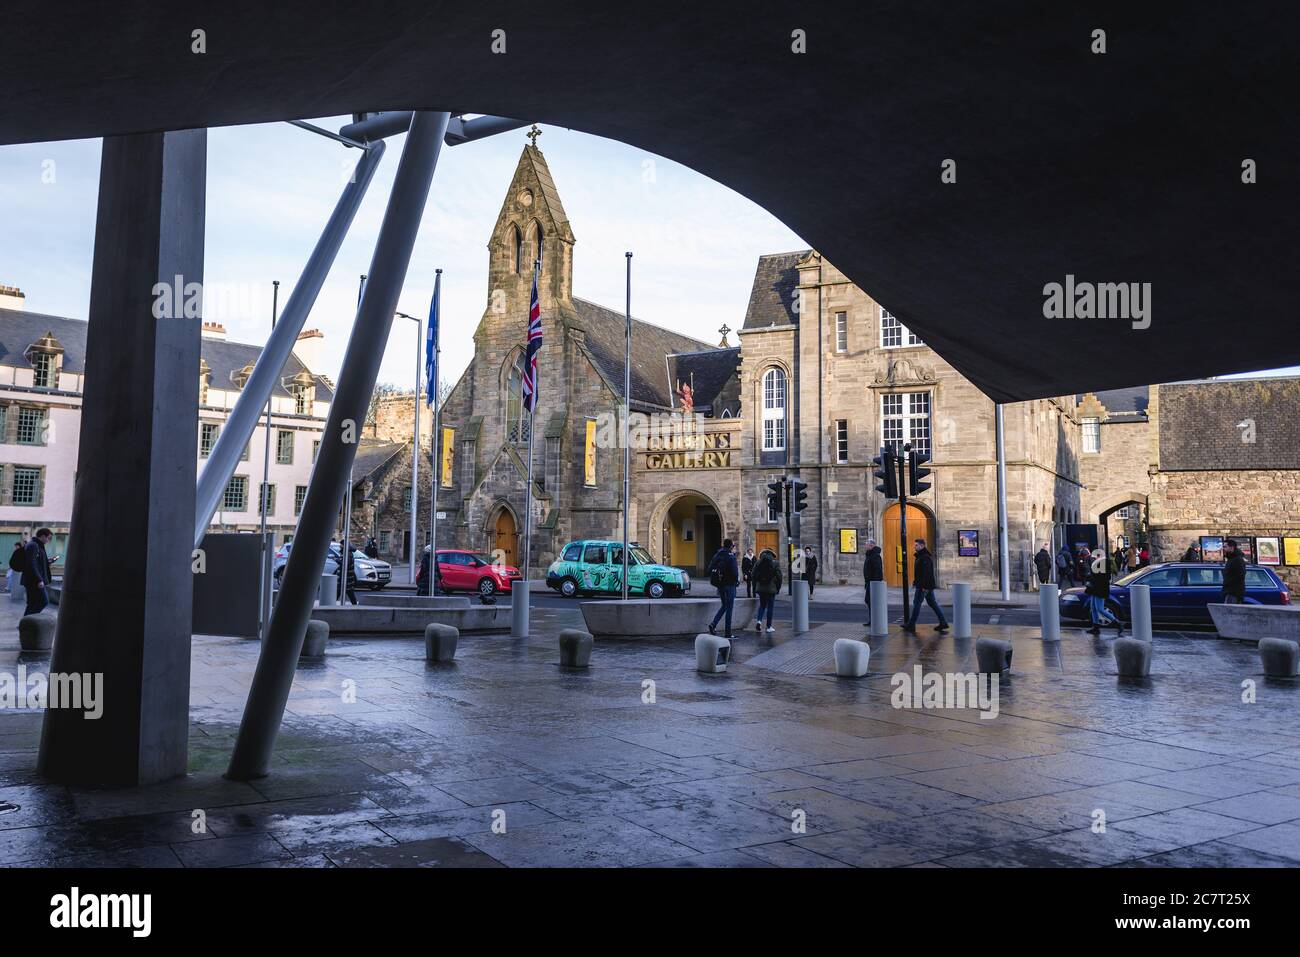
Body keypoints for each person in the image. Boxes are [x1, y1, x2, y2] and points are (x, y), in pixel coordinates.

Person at [903, 538, 948, 634]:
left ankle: (911, 624)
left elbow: (926, 574)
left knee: (917, 603)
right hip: (924, 585)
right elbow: (919, 573)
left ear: (922, 546)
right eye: (915, 545)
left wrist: (924, 586)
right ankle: (943, 622)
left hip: (924, 586)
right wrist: (916, 582)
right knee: (932, 603)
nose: (915, 547)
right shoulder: (921, 556)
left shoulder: (925, 557)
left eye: (916, 545)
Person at [1084, 552, 1123, 635]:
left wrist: (1091, 577)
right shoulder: (1101, 564)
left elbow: (1101, 578)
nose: (1094, 558)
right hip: (1096, 589)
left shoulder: (1103, 565)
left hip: (1100, 589)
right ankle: (1096, 627)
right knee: (1093, 608)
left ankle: (1117, 623)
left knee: (1099, 608)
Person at [707, 538, 739, 639]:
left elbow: (709, 569)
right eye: (733, 546)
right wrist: (736, 581)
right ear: (730, 546)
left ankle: (713, 623)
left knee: (724, 605)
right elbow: (735, 573)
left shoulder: (717, 555)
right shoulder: (731, 557)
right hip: (729, 585)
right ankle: (728, 633)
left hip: (720, 585)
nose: (733, 548)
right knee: (729, 608)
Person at [21, 528, 53, 617]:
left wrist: (47, 562)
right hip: (34, 581)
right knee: (43, 601)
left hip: (32, 580)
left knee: (32, 603)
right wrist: (39, 580)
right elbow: (31, 564)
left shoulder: (37, 545)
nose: (48, 540)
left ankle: (25, 624)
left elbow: (36, 562)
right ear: (43, 536)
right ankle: (29, 622)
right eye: (48, 538)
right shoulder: (34, 545)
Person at [752, 548, 781, 634]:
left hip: (760, 588)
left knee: (762, 605)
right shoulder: (775, 563)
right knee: (770, 607)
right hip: (771, 589)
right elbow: (779, 577)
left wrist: (754, 587)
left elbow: (753, 575)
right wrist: (777, 588)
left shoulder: (758, 562)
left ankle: (759, 621)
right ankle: (768, 627)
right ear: (772, 555)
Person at [862, 538, 883, 624]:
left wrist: (875, 584)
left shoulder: (875, 556)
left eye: (866, 545)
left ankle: (874, 620)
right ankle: (873, 620)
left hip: (873, 583)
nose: (865, 546)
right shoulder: (870, 554)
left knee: (870, 601)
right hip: (869, 582)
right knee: (869, 601)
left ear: (872, 545)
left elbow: (878, 570)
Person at [1221, 538, 1246, 605]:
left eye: (1225, 547)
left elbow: (1241, 575)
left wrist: (1228, 583)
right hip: (1229, 591)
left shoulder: (1238, 560)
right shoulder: (1231, 558)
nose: (1223, 549)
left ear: (1232, 547)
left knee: (1229, 612)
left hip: (1234, 592)